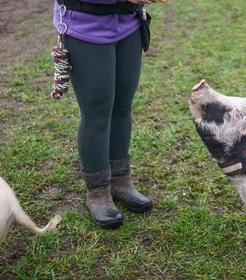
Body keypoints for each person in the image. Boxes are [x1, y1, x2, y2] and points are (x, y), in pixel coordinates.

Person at [52, 0, 163, 229]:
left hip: (128, 24)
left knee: (123, 107)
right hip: (85, 26)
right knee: (97, 114)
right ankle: (98, 191)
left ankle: (120, 181)